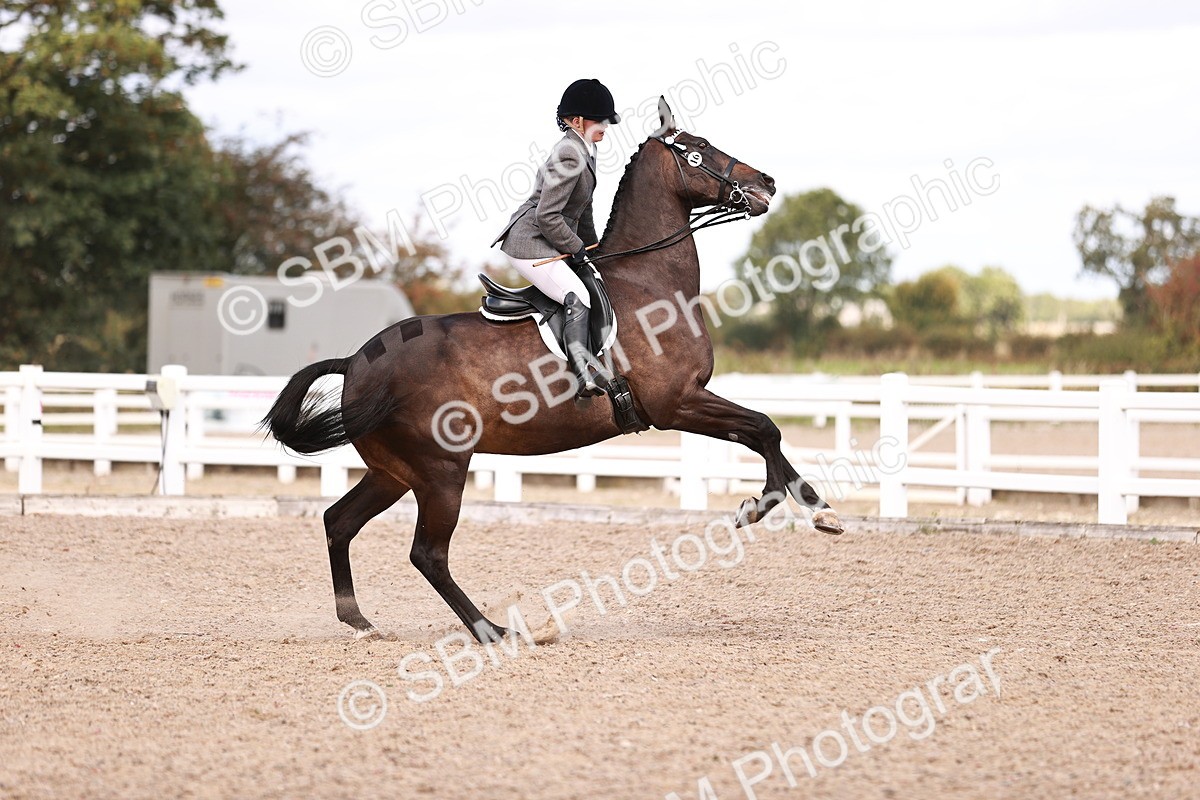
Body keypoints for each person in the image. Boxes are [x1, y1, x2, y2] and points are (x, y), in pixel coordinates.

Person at [492, 78, 621, 398]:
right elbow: (547, 216)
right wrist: (576, 248)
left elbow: (583, 211)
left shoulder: (586, 150)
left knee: (593, 280)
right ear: (576, 121)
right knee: (578, 293)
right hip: (530, 242)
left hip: (551, 238)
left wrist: (594, 250)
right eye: (600, 120)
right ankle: (583, 374)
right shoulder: (568, 153)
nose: (607, 125)